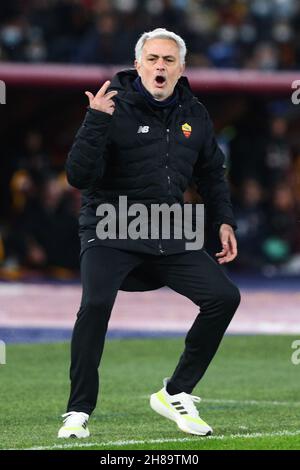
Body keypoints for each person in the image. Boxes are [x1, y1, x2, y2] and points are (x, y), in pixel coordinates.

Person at [58, 28, 241, 439]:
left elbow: (212, 174)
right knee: (96, 305)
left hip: (167, 229)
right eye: (153, 59)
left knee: (224, 297)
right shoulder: (110, 106)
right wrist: (94, 122)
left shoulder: (195, 113)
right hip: (110, 224)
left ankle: (176, 391)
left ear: (181, 68)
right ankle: (78, 410)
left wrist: (223, 221)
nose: (160, 66)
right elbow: (78, 177)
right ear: (138, 63)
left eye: (168, 60)